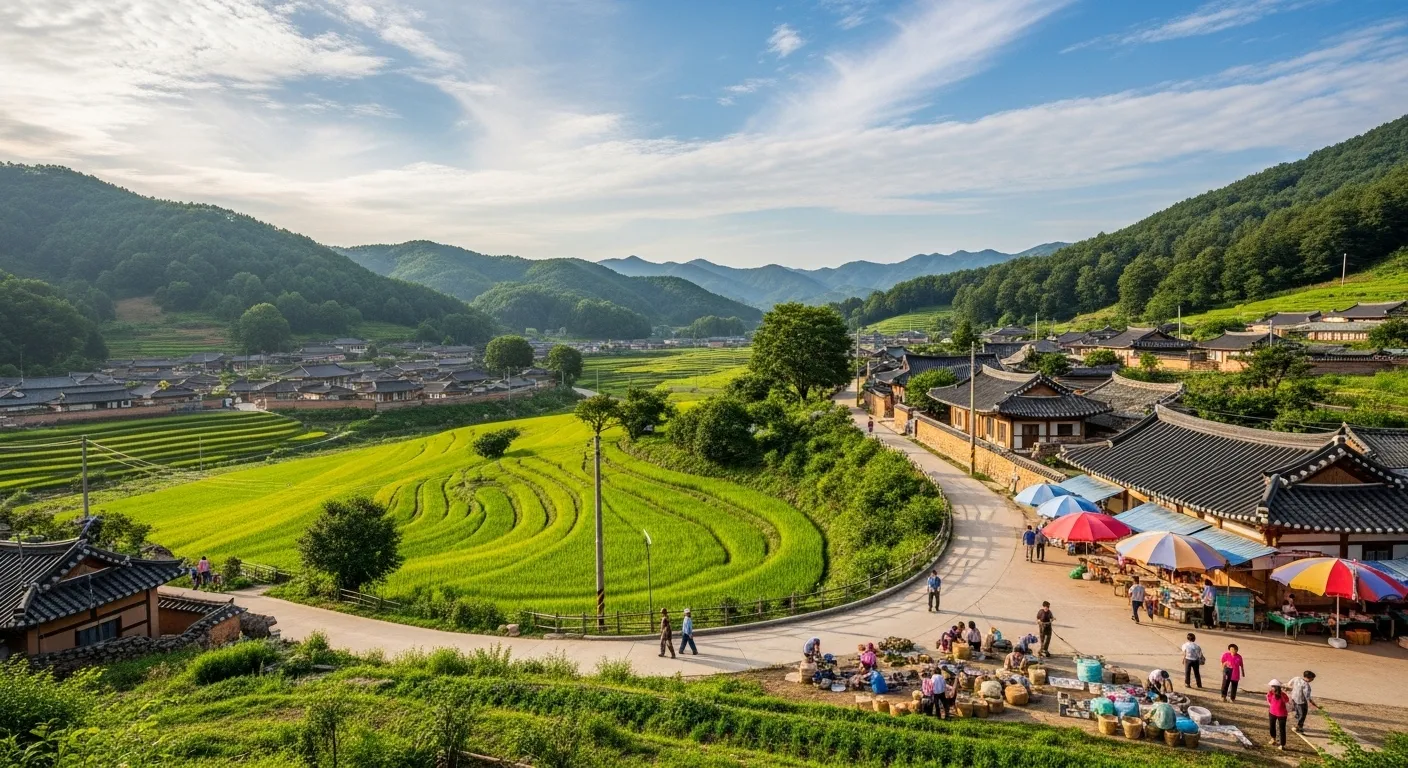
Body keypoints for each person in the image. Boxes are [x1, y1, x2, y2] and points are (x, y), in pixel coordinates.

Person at [1267, 679, 1290, 750]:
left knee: (1282, 729)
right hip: (1272, 712)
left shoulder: (1283, 695)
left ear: (1276, 687)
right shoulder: (1270, 693)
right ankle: (1273, 738)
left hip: (1282, 714)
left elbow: (1287, 701)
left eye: (1272, 687)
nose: (1271, 688)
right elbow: (1269, 701)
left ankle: (1282, 744)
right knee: (1272, 726)